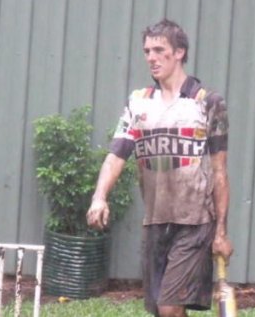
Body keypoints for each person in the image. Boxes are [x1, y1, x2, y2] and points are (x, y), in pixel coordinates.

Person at [87, 19, 233, 317]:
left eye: (158, 50)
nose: (151, 58)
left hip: (194, 222)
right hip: (155, 221)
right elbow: (117, 155)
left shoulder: (207, 103)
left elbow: (219, 172)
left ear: (179, 52)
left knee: (168, 308)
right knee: (164, 311)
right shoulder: (139, 103)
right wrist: (99, 196)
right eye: (146, 51)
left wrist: (220, 232)